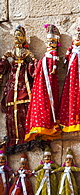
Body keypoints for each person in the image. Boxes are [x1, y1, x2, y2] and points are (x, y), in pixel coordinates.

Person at [0, 25, 38, 154]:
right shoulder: (10, 52)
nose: (18, 38)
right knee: (11, 110)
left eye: (20, 36)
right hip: (12, 83)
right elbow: (3, 67)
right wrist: (4, 58)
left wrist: (32, 59)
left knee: (24, 108)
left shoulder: (26, 53)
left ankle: (26, 137)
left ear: (24, 38)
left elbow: (34, 68)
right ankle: (13, 138)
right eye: (16, 36)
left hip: (23, 82)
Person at [25, 24, 61, 142]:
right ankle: (37, 123)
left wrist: (54, 69)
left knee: (48, 99)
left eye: (53, 42)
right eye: (49, 41)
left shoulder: (53, 55)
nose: (50, 44)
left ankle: (47, 125)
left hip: (48, 79)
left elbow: (54, 63)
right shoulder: (45, 55)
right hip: (41, 81)